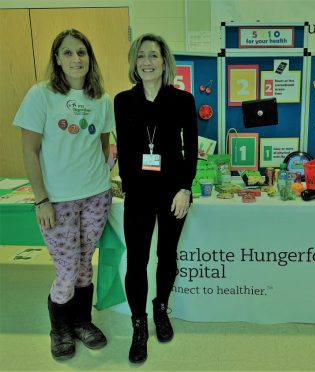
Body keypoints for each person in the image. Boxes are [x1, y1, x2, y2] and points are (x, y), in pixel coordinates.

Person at [13, 29, 115, 361]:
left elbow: (102, 143)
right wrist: (41, 198)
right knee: (68, 269)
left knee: (85, 265)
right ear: (57, 59)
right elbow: (30, 151)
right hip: (57, 200)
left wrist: (106, 176)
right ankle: (59, 329)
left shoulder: (102, 98)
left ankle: (81, 323)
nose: (76, 59)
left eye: (81, 52)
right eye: (68, 53)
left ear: (90, 57)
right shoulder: (40, 95)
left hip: (96, 196)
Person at [114, 33, 198, 364]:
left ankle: (160, 307)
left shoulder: (182, 100)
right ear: (134, 63)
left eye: (153, 56)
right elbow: (125, 151)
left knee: (166, 256)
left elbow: (190, 148)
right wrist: (130, 187)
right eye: (141, 56)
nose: (147, 62)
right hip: (138, 193)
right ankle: (139, 325)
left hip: (172, 192)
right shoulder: (122, 101)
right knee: (136, 260)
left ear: (164, 61)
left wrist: (185, 188)